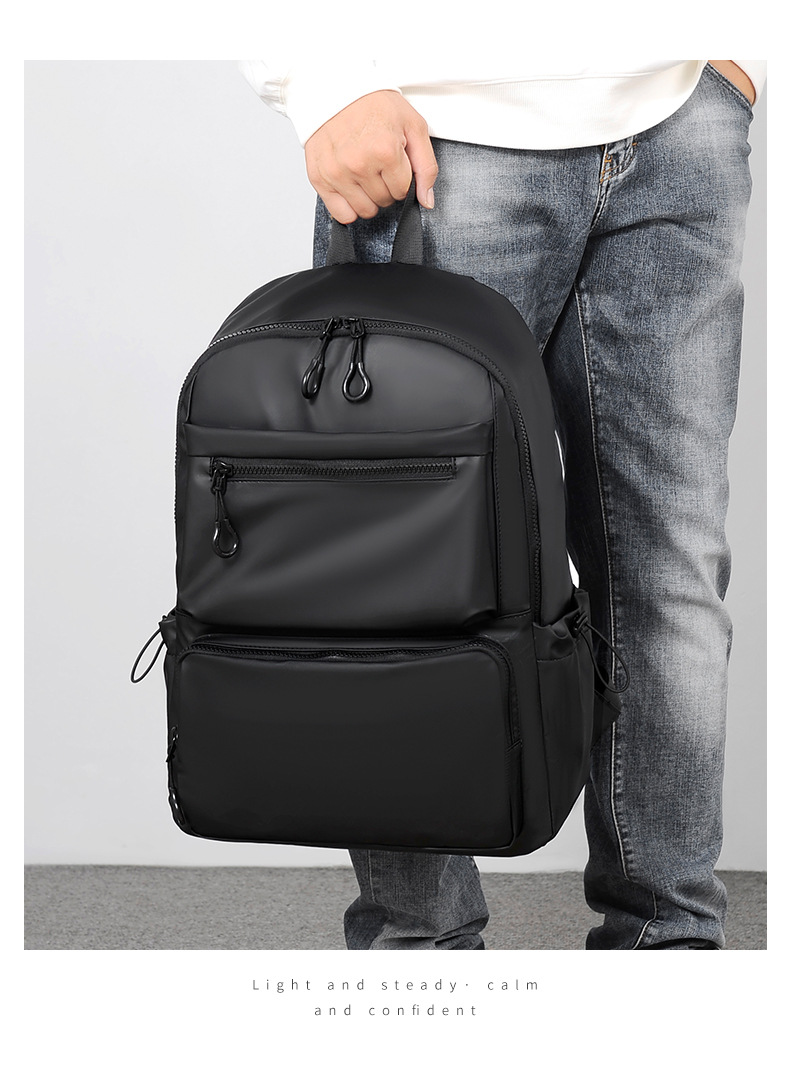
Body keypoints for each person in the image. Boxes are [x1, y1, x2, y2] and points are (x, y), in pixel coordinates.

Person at [239, 57, 765, 950]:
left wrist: (740, 55)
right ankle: (425, 958)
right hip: (441, 138)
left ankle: (671, 953)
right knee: (394, 579)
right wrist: (320, 80)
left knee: (669, 577)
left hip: (678, 119)